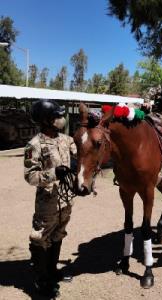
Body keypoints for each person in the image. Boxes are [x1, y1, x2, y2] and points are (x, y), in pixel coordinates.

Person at [24, 99, 77, 297]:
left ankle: (53, 271)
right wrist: (54, 173)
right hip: (47, 201)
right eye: (57, 116)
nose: (61, 119)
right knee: (41, 238)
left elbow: (79, 153)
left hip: (65, 199)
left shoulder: (66, 139)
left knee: (58, 234)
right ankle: (41, 280)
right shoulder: (34, 145)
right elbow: (30, 176)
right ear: (46, 120)